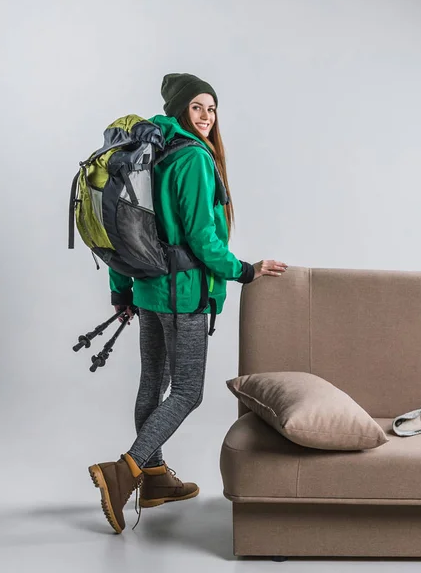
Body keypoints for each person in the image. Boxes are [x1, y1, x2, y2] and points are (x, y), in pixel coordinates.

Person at [88, 73, 288, 534]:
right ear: (180, 110)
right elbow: (202, 238)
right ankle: (124, 471)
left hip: (148, 289)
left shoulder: (149, 153)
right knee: (187, 392)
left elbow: (123, 228)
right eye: (197, 107)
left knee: (153, 381)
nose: (206, 116)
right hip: (184, 295)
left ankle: (154, 479)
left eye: (212, 108)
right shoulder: (194, 159)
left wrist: (121, 289)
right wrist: (245, 270)